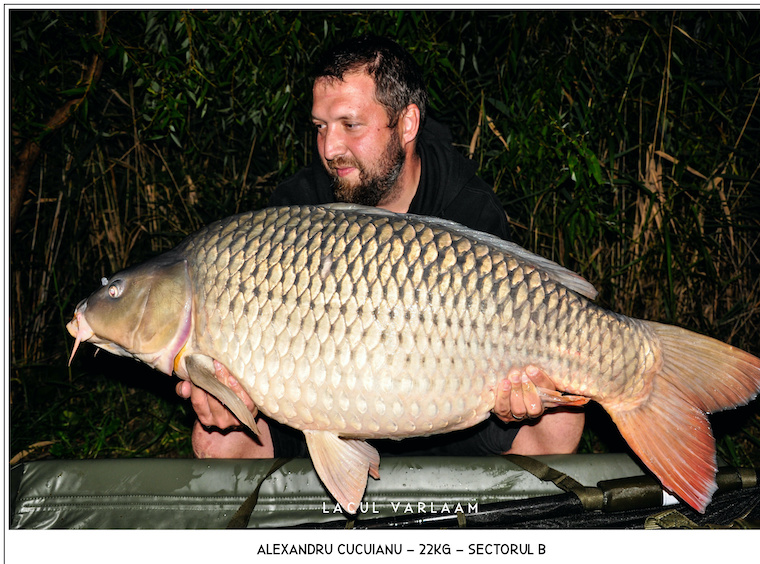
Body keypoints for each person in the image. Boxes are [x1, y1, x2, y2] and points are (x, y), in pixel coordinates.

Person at [176, 34, 585, 460]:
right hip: (315, 408)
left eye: (350, 125)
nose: (330, 149)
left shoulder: (466, 205)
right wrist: (233, 394)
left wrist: (516, 396)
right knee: (215, 441)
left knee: (558, 426)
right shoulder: (294, 208)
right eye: (320, 127)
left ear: (406, 123)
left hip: (444, 414)